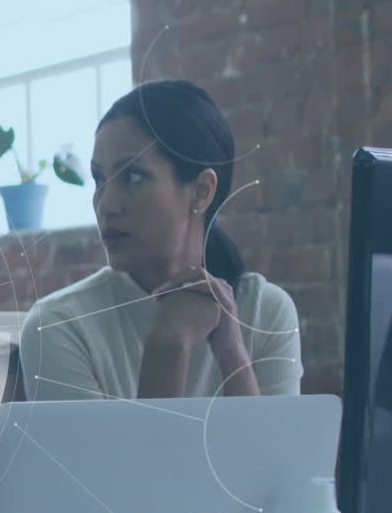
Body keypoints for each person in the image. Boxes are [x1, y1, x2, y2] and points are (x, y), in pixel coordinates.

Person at [19, 79, 302, 400]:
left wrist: (232, 353)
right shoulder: (59, 325)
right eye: (100, 179)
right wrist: (167, 345)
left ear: (201, 191)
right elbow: (134, 454)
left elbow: (269, 451)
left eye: (133, 176)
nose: (106, 205)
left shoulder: (266, 310)